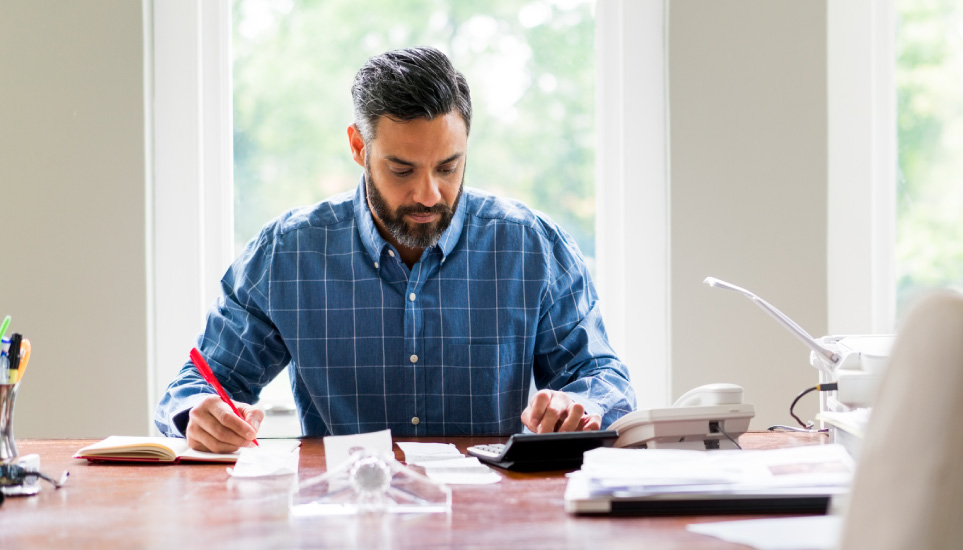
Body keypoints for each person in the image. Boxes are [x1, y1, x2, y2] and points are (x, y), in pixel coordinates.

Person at [154, 46, 635, 453]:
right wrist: (201, 414)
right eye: (402, 170)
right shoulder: (289, 254)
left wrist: (583, 405)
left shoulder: (532, 248)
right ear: (358, 147)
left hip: (490, 526)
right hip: (343, 525)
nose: (428, 194)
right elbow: (198, 383)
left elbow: (602, 377)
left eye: (448, 167)